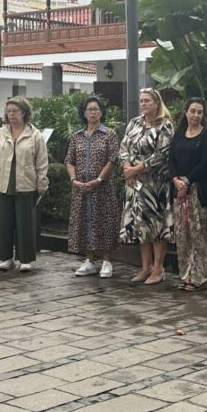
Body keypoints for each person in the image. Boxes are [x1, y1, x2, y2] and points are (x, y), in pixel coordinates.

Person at [0, 97, 49, 272]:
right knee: (2, 223)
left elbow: (42, 162)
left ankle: (25, 259)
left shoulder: (35, 135)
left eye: (15, 111)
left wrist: (41, 183)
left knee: (25, 223)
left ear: (24, 112)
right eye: (9, 111)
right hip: (1, 184)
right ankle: (6, 258)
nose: (11, 114)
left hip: (26, 183)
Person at [119, 87, 174, 285]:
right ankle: (145, 267)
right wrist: (127, 168)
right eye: (141, 100)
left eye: (147, 100)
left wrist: (135, 170)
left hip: (155, 184)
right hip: (135, 184)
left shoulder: (165, 126)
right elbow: (124, 147)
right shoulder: (134, 122)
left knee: (156, 226)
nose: (143, 104)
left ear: (157, 103)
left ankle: (158, 269)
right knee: (140, 225)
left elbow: (161, 155)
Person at [67, 96, 119, 278]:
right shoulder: (77, 136)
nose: (93, 112)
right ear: (84, 113)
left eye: (96, 109)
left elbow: (113, 160)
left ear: (101, 112)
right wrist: (74, 180)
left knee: (104, 222)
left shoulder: (109, 134)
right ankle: (89, 261)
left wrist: (98, 180)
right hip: (81, 188)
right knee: (85, 221)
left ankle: (107, 261)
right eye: (89, 109)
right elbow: (69, 161)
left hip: (103, 188)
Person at [169, 97, 207, 291]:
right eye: (193, 111)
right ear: (186, 112)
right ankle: (186, 276)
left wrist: (187, 181)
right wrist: (176, 180)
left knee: (200, 236)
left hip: (200, 191)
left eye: (200, 112)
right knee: (183, 236)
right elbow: (171, 160)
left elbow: (205, 164)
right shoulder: (179, 134)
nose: (196, 115)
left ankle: (200, 278)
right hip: (180, 192)